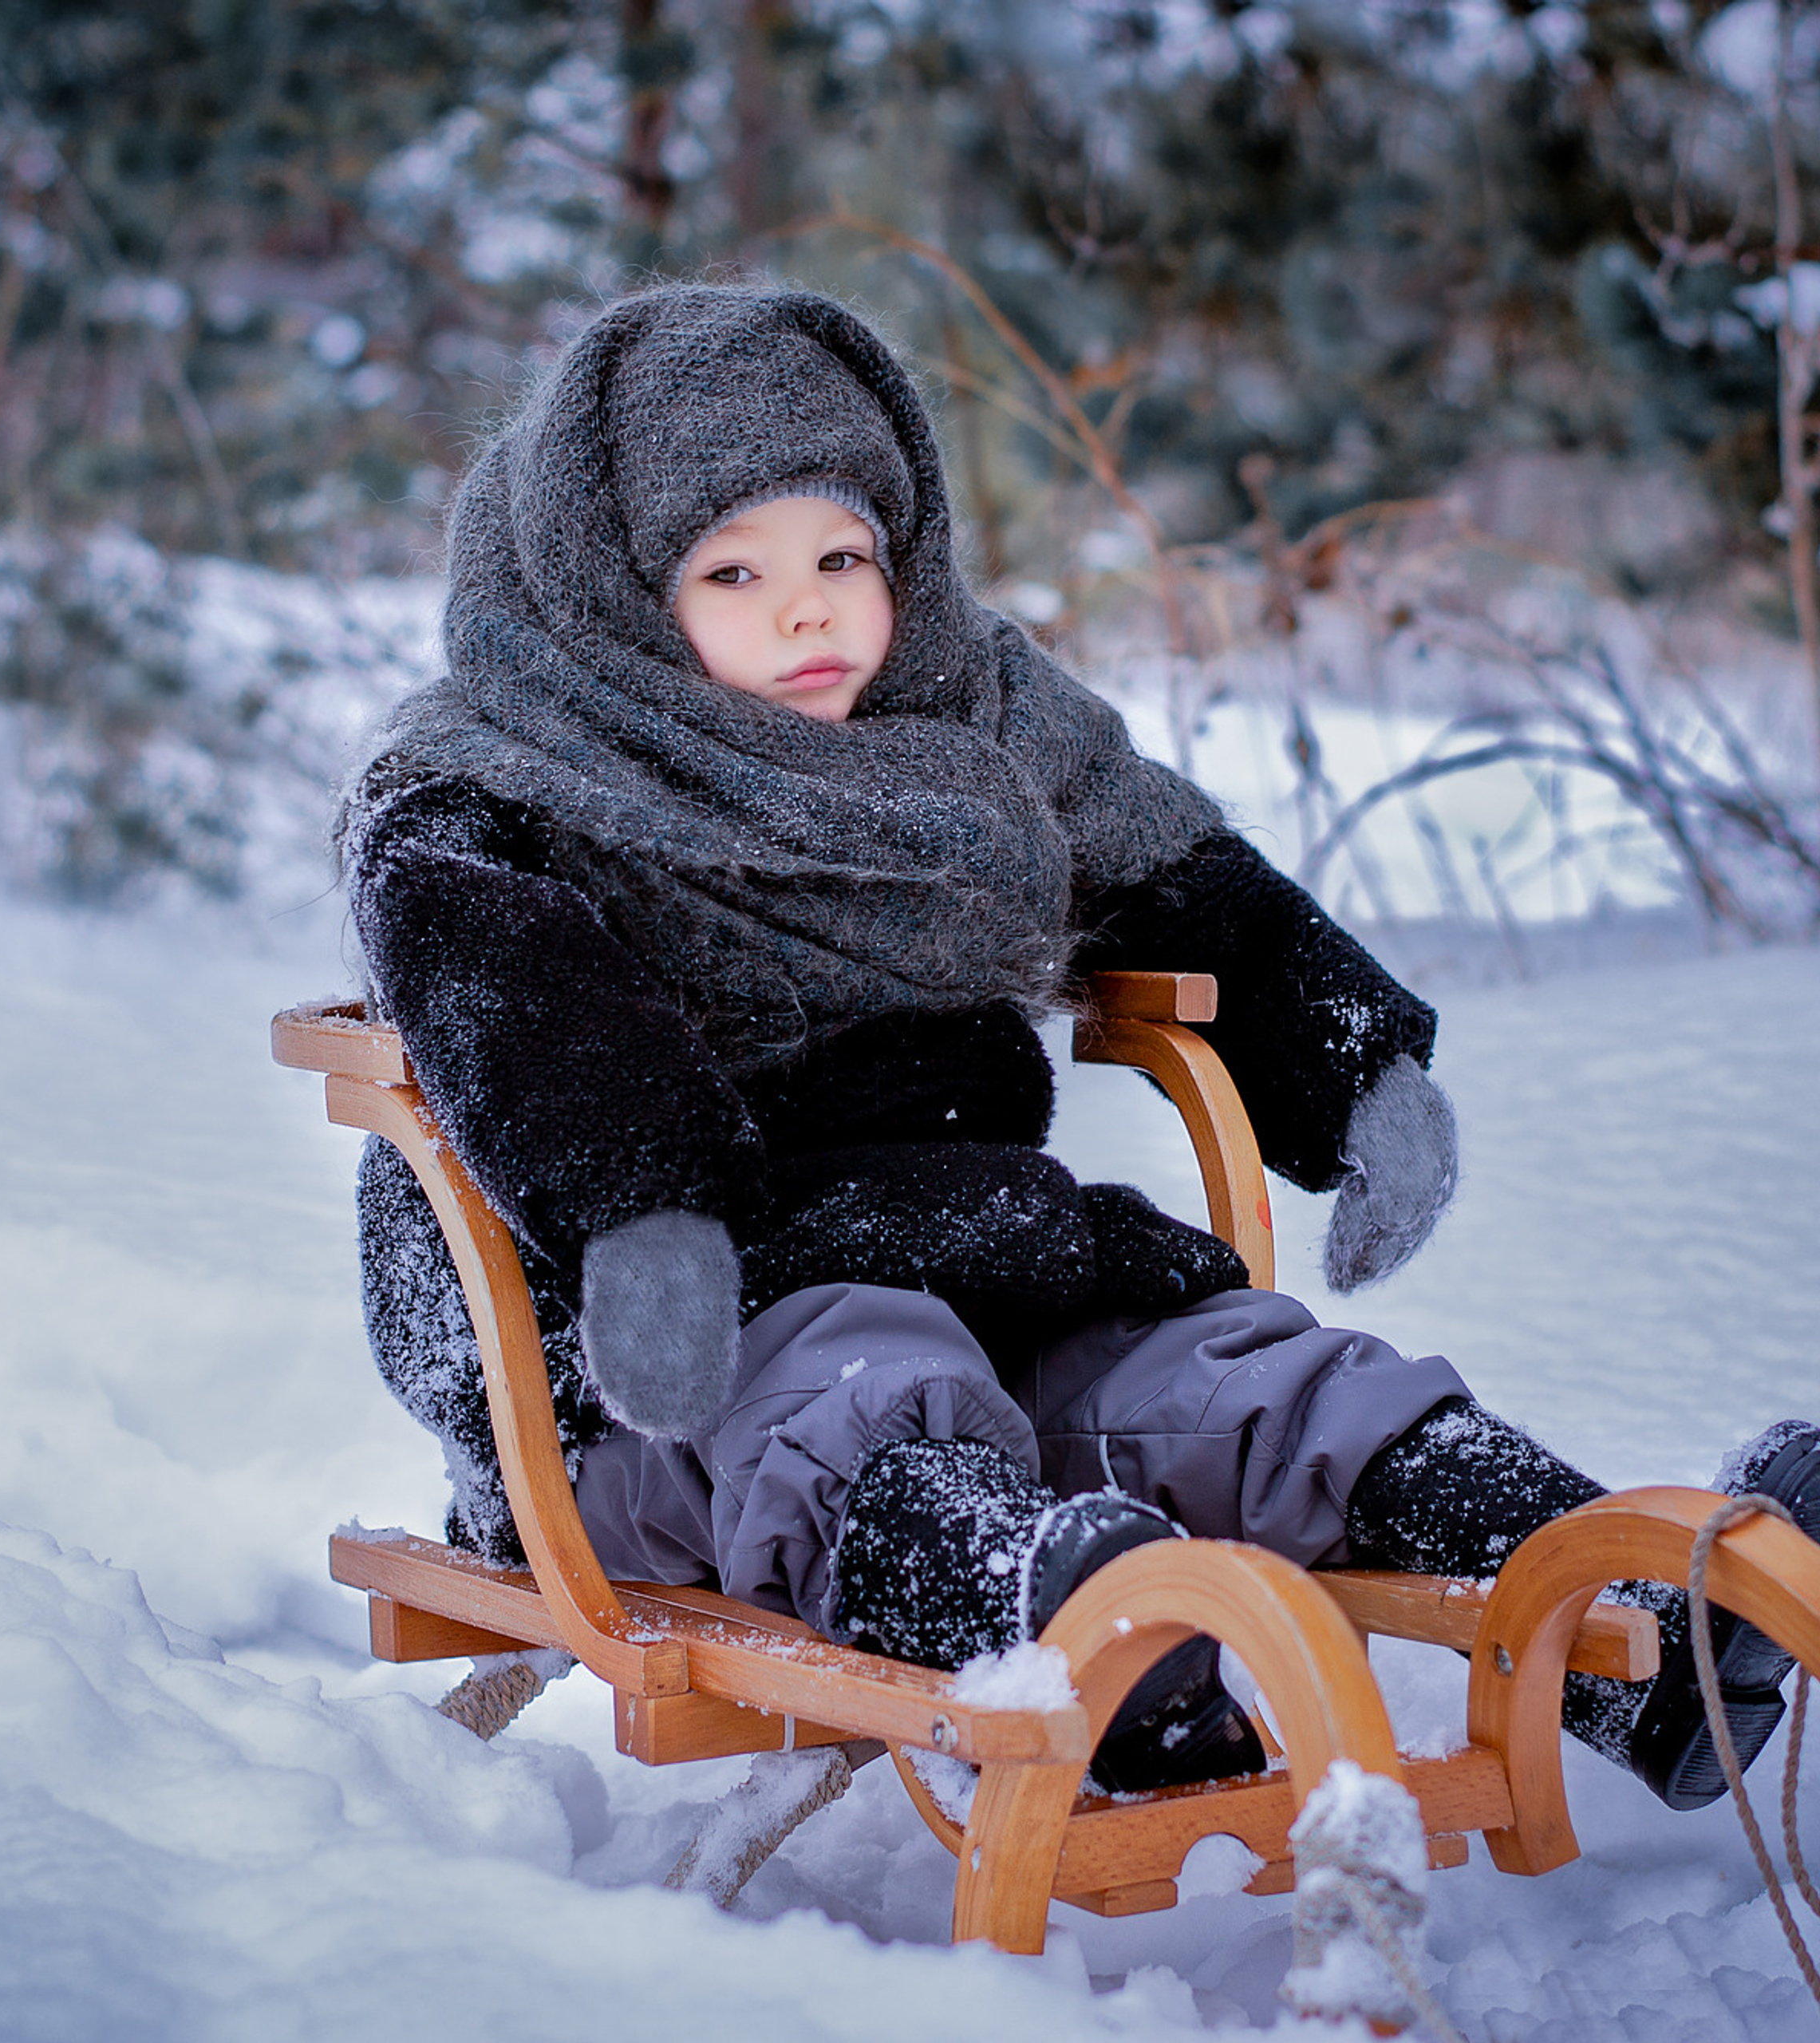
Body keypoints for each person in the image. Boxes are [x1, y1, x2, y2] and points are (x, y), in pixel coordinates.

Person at [336, 282, 1818, 1808]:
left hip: (982, 1267)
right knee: (860, 1398)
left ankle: (1637, 1634)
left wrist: (1351, 1065)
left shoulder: (962, 700)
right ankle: (1071, 1641)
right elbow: (519, 999)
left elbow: (1165, 867)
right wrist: (643, 1215)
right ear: (617, 592)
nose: (810, 609)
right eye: (734, 570)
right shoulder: (497, 780)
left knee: (1263, 1388)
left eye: (844, 555)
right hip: (671, 1365)